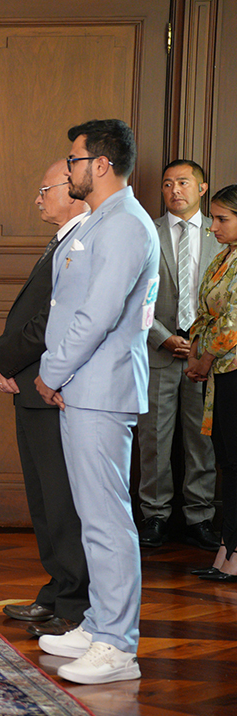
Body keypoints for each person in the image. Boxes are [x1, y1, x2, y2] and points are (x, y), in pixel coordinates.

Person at [33, 119, 158, 684]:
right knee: (93, 516)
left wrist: (50, 371)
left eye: (74, 159)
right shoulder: (105, 220)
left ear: (100, 165)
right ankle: (98, 622)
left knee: (108, 519)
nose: (69, 168)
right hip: (85, 386)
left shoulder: (125, 226)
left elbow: (97, 315)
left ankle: (117, 645)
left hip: (99, 387)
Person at [0, 160, 90, 637]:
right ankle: (57, 590)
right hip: (34, 386)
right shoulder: (66, 237)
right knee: (45, 501)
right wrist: (10, 364)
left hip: (57, 388)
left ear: (73, 189)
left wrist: (1, 358)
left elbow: (54, 322)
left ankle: (74, 606)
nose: (37, 198)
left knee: (63, 500)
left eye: (45, 188)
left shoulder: (87, 238)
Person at [137, 160, 221, 551]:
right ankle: (154, 515)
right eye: (168, 184)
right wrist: (163, 337)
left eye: (183, 183)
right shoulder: (145, 233)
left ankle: (200, 516)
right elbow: (134, 295)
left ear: (202, 189)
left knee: (201, 441)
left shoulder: (220, 231)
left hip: (206, 357)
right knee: (154, 436)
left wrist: (204, 344)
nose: (174, 191)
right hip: (159, 351)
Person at [185, 184, 237, 580]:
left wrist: (203, 358)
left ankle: (234, 553)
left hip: (232, 370)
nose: (213, 226)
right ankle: (226, 548)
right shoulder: (224, 257)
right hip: (220, 373)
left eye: (222, 219)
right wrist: (194, 349)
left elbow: (233, 324)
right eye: (213, 219)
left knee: (235, 463)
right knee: (226, 462)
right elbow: (206, 313)